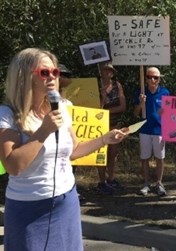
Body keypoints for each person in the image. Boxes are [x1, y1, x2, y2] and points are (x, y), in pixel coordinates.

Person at [0, 48, 127, 251]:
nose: (52, 77)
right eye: (44, 72)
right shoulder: (7, 114)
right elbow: (13, 166)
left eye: (55, 72)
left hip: (65, 202)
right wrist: (44, 131)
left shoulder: (61, 107)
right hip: (28, 208)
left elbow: (73, 151)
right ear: (24, 76)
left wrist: (105, 139)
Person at [134, 67, 170, 196]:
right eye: (150, 77)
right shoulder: (141, 92)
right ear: (146, 78)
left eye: (156, 77)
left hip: (159, 130)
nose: (153, 80)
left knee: (160, 158)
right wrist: (141, 103)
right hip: (144, 129)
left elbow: (169, 113)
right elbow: (136, 113)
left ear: (159, 79)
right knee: (145, 158)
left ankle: (159, 183)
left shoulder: (165, 92)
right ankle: (145, 184)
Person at [97, 61, 127, 194]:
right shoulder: (96, 86)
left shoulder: (117, 85)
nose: (108, 72)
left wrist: (105, 112)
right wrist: (102, 99)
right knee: (101, 153)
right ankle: (102, 181)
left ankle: (111, 178)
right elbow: (93, 108)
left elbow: (122, 106)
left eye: (110, 70)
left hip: (114, 124)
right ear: (101, 71)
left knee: (113, 153)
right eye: (105, 70)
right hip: (99, 126)